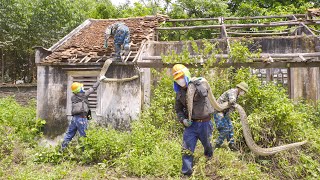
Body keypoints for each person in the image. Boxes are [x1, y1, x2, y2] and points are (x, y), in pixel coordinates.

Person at [172, 64, 214, 176]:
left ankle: (209, 165)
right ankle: (186, 173)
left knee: (208, 145)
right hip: (191, 125)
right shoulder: (179, 93)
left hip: (205, 122)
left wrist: (197, 84)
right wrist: (183, 120)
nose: (180, 80)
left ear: (186, 76)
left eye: (181, 77)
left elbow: (204, 93)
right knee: (187, 148)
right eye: (177, 79)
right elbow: (178, 110)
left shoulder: (198, 85)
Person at [60, 75, 107, 151]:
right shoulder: (83, 95)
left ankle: (62, 149)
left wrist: (89, 116)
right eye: (81, 87)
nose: (83, 88)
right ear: (79, 89)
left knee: (69, 134)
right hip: (81, 119)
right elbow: (92, 89)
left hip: (74, 119)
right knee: (84, 136)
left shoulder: (73, 97)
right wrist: (99, 80)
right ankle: (84, 153)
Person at [213, 82, 248, 151]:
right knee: (224, 129)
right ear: (240, 89)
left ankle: (231, 145)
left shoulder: (237, 94)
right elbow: (232, 101)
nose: (244, 93)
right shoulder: (232, 92)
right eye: (243, 91)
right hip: (219, 112)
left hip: (225, 113)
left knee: (230, 128)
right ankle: (216, 145)